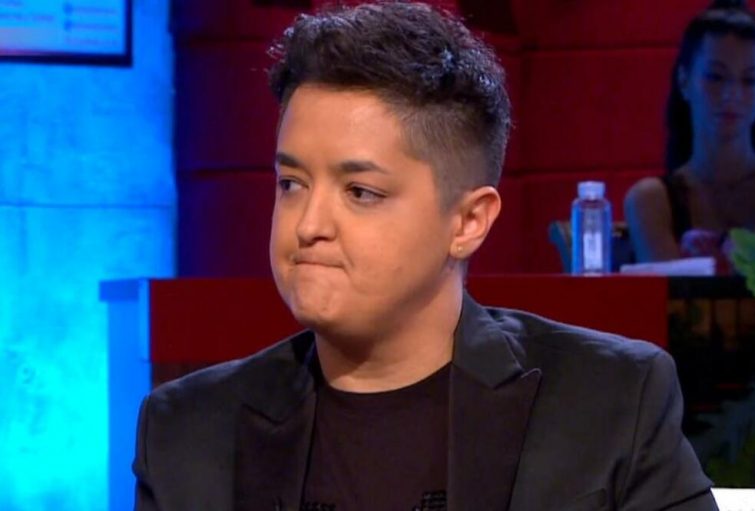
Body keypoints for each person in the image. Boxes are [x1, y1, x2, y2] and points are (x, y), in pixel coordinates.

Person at [132, 3, 717, 510]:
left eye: (360, 192)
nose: (308, 226)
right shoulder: (187, 432)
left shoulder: (610, 402)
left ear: (468, 222)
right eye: (291, 184)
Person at [625, 0, 755, 271]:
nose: (731, 94)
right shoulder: (652, 201)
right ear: (684, 81)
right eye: (715, 77)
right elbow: (668, 295)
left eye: (749, 80)